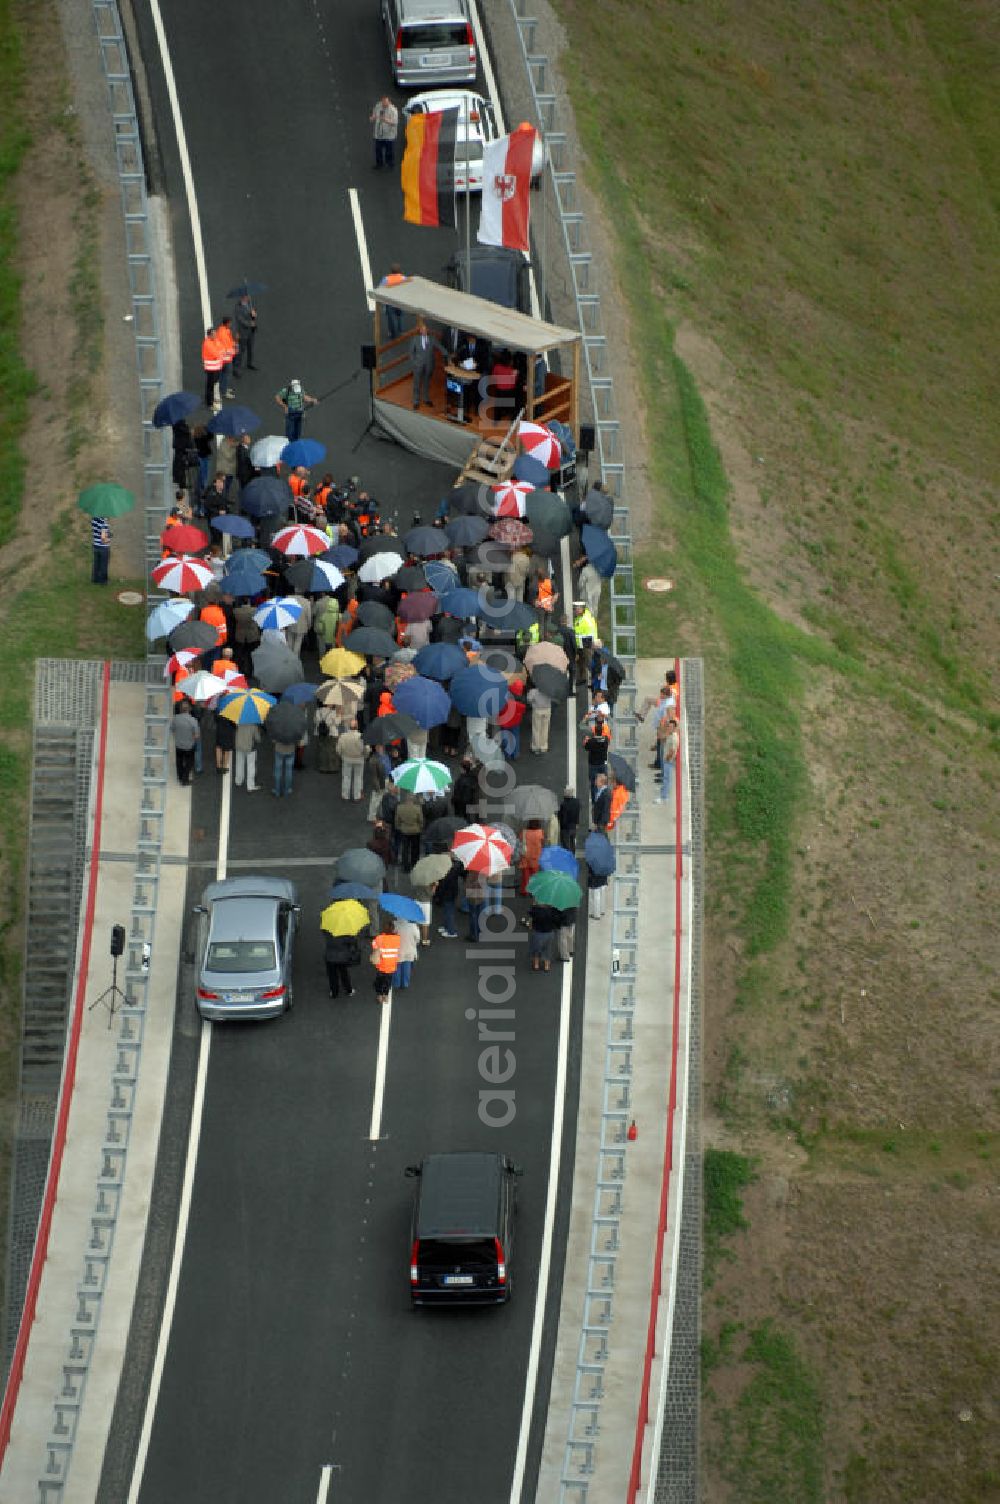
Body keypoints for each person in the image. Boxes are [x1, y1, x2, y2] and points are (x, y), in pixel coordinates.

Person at [409, 319, 444, 409]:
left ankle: (426, 398)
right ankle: (416, 401)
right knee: (417, 383)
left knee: (426, 382)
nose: (424, 331)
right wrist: (414, 362)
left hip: (429, 364)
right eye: (423, 330)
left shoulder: (432, 339)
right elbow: (411, 352)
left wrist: (447, 354)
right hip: (418, 365)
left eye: (426, 329)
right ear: (420, 331)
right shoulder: (415, 339)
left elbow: (440, 347)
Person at [324, 928, 363, 999]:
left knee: (332, 976)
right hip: (342, 957)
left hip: (330, 956)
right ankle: (349, 990)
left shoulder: (327, 929)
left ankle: (334, 993)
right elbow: (352, 941)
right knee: (344, 973)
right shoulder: (344, 931)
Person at [275, 378, 318, 443]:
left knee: (297, 432)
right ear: (291, 386)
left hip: (299, 412)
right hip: (290, 412)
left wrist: (312, 400)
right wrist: (285, 406)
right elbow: (277, 397)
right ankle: (289, 445)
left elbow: (304, 397)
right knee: (290, 433)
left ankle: (295, 443)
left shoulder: (300, 389)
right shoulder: (286, 391)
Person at [170, 702, 199, 785]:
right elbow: (196, 735)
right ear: (189, 710)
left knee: (179, 762)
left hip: (178, 745)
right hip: (189, 746)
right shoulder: (193, 721)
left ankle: (180, 777)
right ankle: (185, 779)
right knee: (189, 762)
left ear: (180, 709)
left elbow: (172, 729)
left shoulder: (176, 718)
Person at [394, 792, 424, 873]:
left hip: (404, 831)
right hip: (416, 831)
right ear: (413, 799)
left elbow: (397, 821)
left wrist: (399, 827)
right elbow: (421, 820)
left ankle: (406, 867)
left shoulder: (400, 808)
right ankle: (414, 864)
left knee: (405, 849)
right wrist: (421, 827)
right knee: (415, 849)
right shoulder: (417, 808)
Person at [434, 856, 462, 939]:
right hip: (451, 893)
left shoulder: (448, 872)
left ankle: (451, 931)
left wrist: (438, 894)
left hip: (448, 894)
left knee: (449, 912)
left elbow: (443, 885)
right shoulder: (454, 868)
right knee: (447, 911)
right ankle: (446, 927)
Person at [338, 718, 366, 801]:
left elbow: (338, 749)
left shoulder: (343, 737)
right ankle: (357, 796)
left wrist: (342, 756)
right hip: (359, 759)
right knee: (358, 777)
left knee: (346, 777)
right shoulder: (361, 737)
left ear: (349, 727)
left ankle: (345, 795)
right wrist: (365, 756)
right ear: (357, 727)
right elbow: (366, 749)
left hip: (347, 759)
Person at [371, 926, 401, 999]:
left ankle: (380, 995)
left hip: (381, 965)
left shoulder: (379, 938)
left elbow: (374, 945)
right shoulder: (397, 938)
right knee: (388, 981)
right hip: (391, 966)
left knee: (380, 980)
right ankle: (386, 995)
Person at [528, 902, 558, 972]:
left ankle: (536, 965)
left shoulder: (535, 910)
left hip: (538, 933)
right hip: (549, 933)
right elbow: (556, 921)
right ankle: (546, 966)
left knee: (536, 949)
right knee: (547, 949)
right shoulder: (552, 910)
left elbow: (530, 923)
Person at [233, 290, 258, 374]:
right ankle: (236, 369)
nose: (249, 297)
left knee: (251, 349)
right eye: (248, 296)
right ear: (243, 297)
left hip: (251, 332)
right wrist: (250, 323)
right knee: (241, 351)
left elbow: (252, 316)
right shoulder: (238, 307)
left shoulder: (249, 304)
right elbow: (240, 320)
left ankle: (250, 363)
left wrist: (254, 315)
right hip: (243, 333)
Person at [370, 95, 399, 169]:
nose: (383, 104)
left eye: (385, 102)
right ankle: (379, 164)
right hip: (379, 133)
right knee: (378, 150)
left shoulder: (393, 110)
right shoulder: (378, 106)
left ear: (389, 102)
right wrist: (373, 117)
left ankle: (390, 164)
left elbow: (394, 122)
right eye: (383, 102)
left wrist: (385, 120)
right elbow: (374, 113)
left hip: (389, 135)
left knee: (389, 151)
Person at [519, 819, 545, 896]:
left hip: (525, 856)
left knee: (525, 875)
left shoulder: (524, 832)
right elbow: (542, 841)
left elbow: (520, 839)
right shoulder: (540, 832)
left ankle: (525, 890)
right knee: (535, 875)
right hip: (535, 857)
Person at [392, 918, 420, 989]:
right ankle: (405, 983)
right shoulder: (413, 926)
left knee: (397, 968)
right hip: (409, 951)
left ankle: (396, 983)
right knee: (407, 967)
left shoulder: (395, 925)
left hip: (398, 951)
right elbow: (417, 939)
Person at [201, 324, 225, 407]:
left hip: (216, 367)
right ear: (209, 335)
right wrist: (220, 352)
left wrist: (220, 351)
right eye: (214, 334)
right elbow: (216, 354)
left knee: (213, 383)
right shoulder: (207, 344)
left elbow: (222, 348)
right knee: (210, 386)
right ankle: (209, 403)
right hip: (211, 368)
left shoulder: (215, 341)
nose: (215, 335)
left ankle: (211, 399)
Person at [657, 717, 680, 804]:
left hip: (668, 761)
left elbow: (672, 750)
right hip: (667, 760)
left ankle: (664, 797)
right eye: (668, 726)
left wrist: (667, 758)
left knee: (666, 778)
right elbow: (661, 738)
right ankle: (663, 792)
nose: (669, 728)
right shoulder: (670, 735)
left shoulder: (674, 737)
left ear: (674, 728)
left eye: (671, 727)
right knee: (665, 777)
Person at [233, 721, 261, 792]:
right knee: (251, 766)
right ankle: (250, 785)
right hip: (250, 747)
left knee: (239, 763)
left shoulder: (238, 721)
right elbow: (258, 738)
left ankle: (238, 781)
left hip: (239, 745)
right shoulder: (253, 724)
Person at [526, 682, 552, 754]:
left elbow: (529, 699)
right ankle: (544, 747)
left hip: (537, 710)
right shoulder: (549, 690)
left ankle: (536, 747)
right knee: (545, 728)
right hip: (547, 710)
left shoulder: (533, 691)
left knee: (536, 729)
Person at [215, 315, 237, 399]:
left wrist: (233, 344)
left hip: (222, 358)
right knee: (226, 375)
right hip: (225, 359)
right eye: (230, 323)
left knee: (222, 375)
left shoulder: (222, 330)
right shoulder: (223, 334)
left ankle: (223, 388)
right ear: (227, 323)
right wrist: (234, 351)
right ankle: (224, 392)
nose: (231, 324)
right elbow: (227, 348)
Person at [558, 787, 580, 852]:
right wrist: (577, 823)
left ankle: (567, 858)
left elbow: (562, 816)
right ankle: (572, 857)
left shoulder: (563, 804)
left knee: (565, 845)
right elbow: (577, 813)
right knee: (572, 842)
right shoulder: (577, 802)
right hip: (573, 826)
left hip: (565, 828)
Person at [90, 514, 111, 584]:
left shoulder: (94, 519)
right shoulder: (104, 521)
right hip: (103, 547)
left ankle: (95, 578)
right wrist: (108, 539)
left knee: (96, 563)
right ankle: (103, 580)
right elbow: (103, 537)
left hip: (95, 545)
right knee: (103, 564)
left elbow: (96, 531)